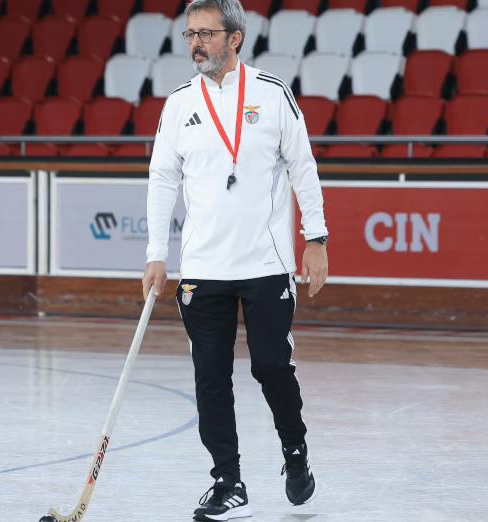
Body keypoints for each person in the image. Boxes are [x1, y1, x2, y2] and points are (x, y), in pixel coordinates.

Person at [142, 0, 329, 519]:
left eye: (206, 32)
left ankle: (295, 453)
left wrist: (316, 239)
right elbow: (162, 181)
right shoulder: (179, 103)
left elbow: (302, 165)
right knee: (210, 376)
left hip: (266, 264)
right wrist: (157, 254)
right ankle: (229, 481)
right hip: (202, 269)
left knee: (271, 366)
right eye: (190, 34)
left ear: (235, 38)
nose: (196, 43)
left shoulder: (272, 95)